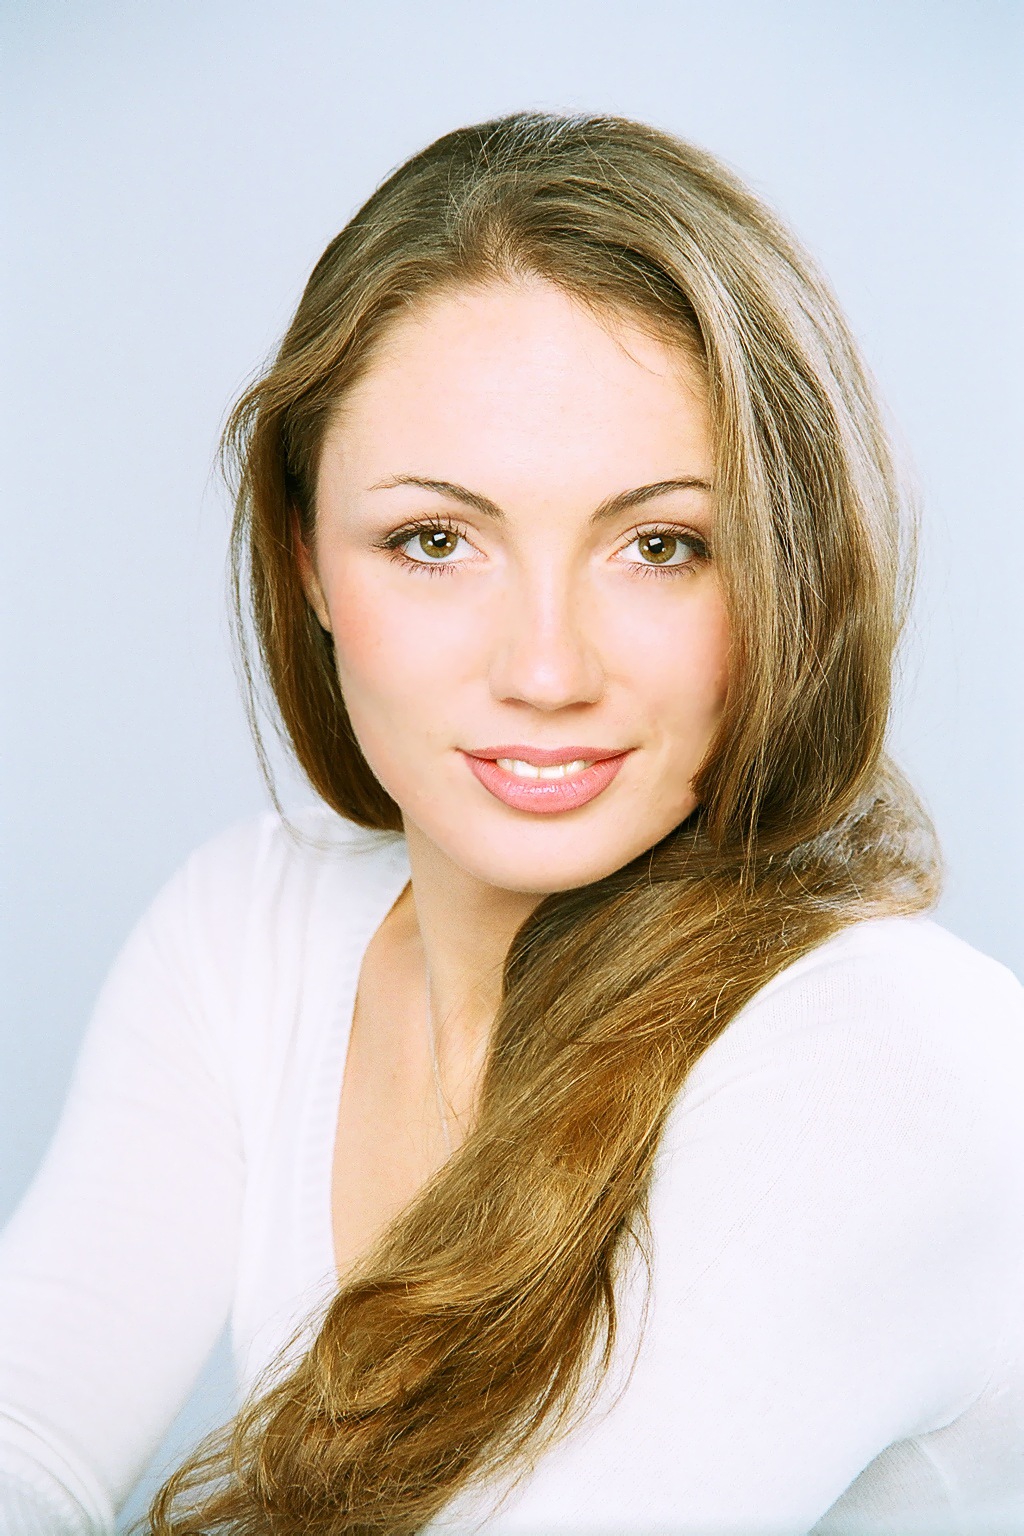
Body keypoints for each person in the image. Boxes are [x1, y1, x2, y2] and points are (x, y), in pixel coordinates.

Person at [1, 111, 1022, 1536]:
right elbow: (27, 1437)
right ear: (308, 561)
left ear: (783, 570)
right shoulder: (255, 930)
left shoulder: (891, 1063)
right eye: (435, 541)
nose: (546, 669)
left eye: (661, 545)